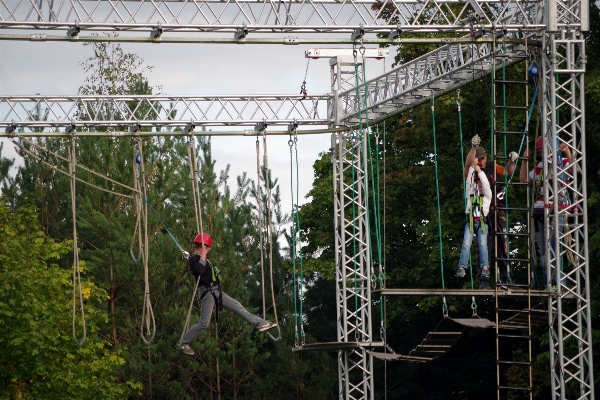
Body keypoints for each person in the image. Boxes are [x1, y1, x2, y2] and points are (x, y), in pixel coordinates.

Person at [177, 233, 277, 355]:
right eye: (208, 248)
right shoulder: (194, 259)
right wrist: (203, 254)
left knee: (237, 306)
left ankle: (260, 324)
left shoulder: (204, 259)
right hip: (207, 293)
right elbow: (199, 271)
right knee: (204, 323)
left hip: (216, 292)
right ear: (204, 247)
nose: (209, 250)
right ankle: (183, 342)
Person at [519, 136, 578, 289]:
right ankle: (549, 284)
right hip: (539, 212)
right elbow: (523, 179)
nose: (542, 153)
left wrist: (568, 153)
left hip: (555, 209)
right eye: (540, 151)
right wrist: (525, 160)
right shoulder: (540, 166)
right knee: (544, 253)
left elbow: (575, 170)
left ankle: (558, 283)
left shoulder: (562, 163)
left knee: (553, 248)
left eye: (543, 150)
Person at [464, 135, 517, 288]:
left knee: (502, 243)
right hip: (480, 212)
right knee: (483, 245)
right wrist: (473, 148)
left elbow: (508, 172)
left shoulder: (492, 166)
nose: (482, 161)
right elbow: (467, 164)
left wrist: (511, 161)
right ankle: (483, 280)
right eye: (479, 159)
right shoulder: (472, 171)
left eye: (484, 158)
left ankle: (507, 279)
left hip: (496, 209)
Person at [456, 154, 493, 288]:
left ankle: (485, 267)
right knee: (466, 244)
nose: (480, 187)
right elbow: (468, 183)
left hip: (482, 222)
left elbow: (487, 185)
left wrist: (479, 171)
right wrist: (472, 168)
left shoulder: (487, 196)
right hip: (471, 222)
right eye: (478, 185)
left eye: (481, 185)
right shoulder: (470, 194)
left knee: (482, 245)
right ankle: (462, 266)